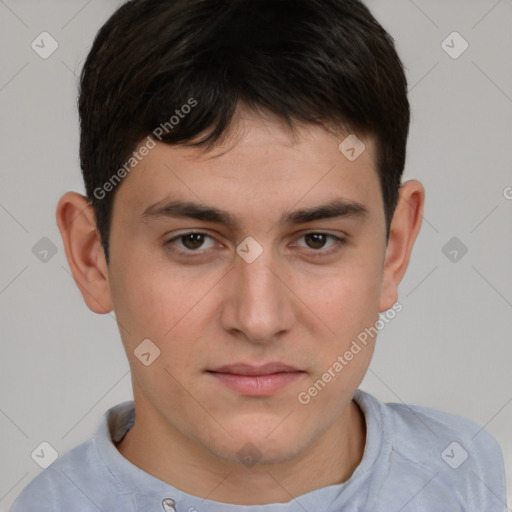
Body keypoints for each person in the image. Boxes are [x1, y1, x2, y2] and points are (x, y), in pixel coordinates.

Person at [10, 0, 507, 510]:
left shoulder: (468, 475)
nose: (259, 319)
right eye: (193, 241)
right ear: (93, 257)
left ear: (393, 249)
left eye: (317, 240)